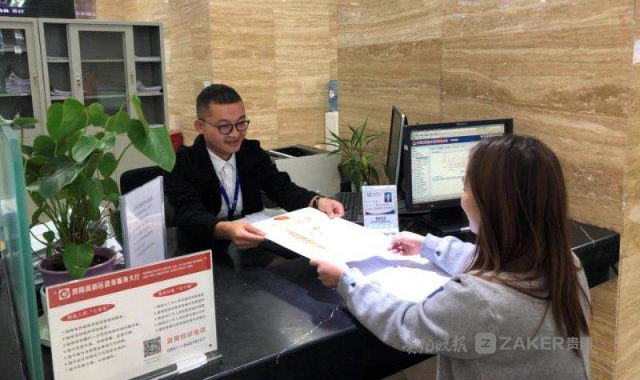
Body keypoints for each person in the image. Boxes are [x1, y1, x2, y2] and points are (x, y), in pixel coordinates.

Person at [311, 135, 591, 380]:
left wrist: (346, 280)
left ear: (492, 205)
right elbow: (489, 261)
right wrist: (427, 246)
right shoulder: (567, 265)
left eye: (465, 187)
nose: (462, 197)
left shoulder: (479, 299)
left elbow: (406, 325)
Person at [165, 84, 344, 254]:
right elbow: (189, 214)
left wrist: (317, 201)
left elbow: (281, 188)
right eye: (224, 126)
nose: (235, 133)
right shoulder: (182, 162)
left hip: (252, 246)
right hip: (204, 247)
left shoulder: (251, 152)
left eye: (241, 123)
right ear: (200, 127)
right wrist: (227, 229)